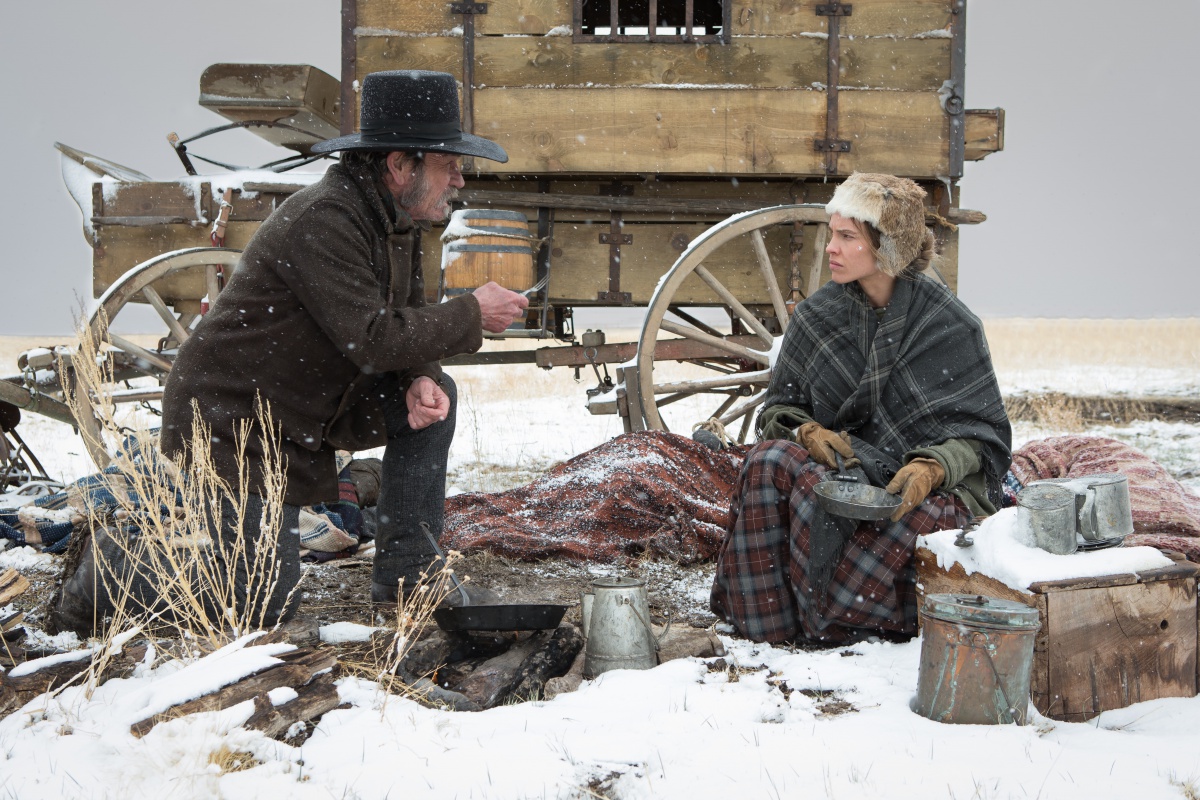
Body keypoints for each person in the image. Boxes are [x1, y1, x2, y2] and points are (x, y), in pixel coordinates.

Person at [157, 70, 529, 623]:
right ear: (399, 165)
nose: (459, 179)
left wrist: (420, 375)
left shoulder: (394, 219)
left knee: (436, 397)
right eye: (448, 164)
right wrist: (472, 311)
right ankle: (100, 579)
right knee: (260, 604)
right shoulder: (327, 218)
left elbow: (406, 315)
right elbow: (372, 340)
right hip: (237, 422)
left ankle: (409, 578)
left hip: (304, 405)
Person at [710, 172, 1011, 646]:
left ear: (888, 246)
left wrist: (933, 467)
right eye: (832, 233)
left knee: (916, 528)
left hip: (913, 491)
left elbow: (984, 440)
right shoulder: (816, 317)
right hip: (842, 473)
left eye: (847, 237)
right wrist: (807, 432)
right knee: (768, 462)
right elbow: (779, 409)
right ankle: (769, 622)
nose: (831, 248)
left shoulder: (951, 325)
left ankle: (839, 621)